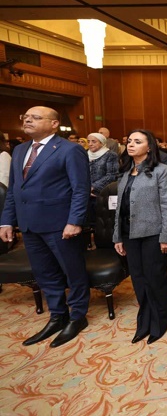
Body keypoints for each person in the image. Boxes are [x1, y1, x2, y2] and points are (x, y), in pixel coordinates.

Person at [0, 107, 91, 348]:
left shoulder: (69, 150)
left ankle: (78, 316)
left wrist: (75, 221)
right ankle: (57, 315)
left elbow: (80, 188)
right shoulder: (20, 150)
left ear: (54, 124)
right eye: (26, 117)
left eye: (36, 117)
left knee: (72, 271)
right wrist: (7, 220)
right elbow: (14, 189)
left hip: (60, 224)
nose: (28, 120)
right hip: (29, 224)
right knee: (44, 273)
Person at [113, 129, 167, 345]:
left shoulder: (161, 170)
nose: (131, 144)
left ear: (149, 147)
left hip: (153, 234)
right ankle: (145, 322)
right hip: (129, 233)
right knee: (138, 280)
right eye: (129, 141)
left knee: (154, 279)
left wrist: (166, 236)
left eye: (137, 141)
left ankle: (159, 322)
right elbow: (120, 208)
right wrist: (117, 236)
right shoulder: (125, 171)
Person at [86, 132, 119, 226]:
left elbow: (112, 175)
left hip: (102, 193)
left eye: (94, 141)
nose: (90, 144)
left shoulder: (110, 155)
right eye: (88, 141)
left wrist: (93, 187)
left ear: (102, 143)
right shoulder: (84, 154)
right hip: (85, 193)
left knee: (101, 222)